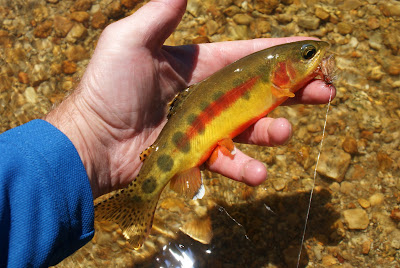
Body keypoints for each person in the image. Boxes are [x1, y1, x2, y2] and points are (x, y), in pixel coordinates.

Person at [0, 0, 336, 266]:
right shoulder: (270, 80)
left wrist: (88, 133)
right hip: (181, 145)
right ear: (280, 70)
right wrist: (91, 128)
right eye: (308, 55)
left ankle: (135, 201)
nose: (315, 58)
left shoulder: (272, 80)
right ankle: (138, 200)